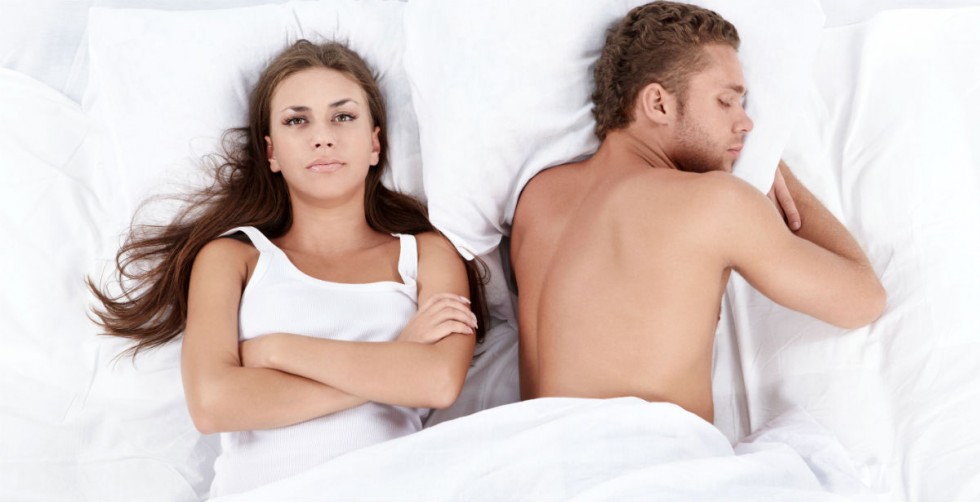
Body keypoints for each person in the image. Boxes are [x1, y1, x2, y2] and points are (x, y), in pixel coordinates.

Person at [88, 40, 487, 496]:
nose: (323, 137)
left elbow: (437, 382)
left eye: (343, 116)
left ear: (375, 143)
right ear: (272, 153)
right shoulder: (231, 258)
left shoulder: (428, 254)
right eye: (297, 120)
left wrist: (276, 350)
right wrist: (395, 361)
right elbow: (213, 405)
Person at [510, 1, 885, 423]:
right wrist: (773, 166)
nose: (747, 124)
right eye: (726, 102)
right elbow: (863, 301)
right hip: (647, 455)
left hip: (531, 456)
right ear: (658, 103)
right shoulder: (714, 203)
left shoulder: (536, 199)